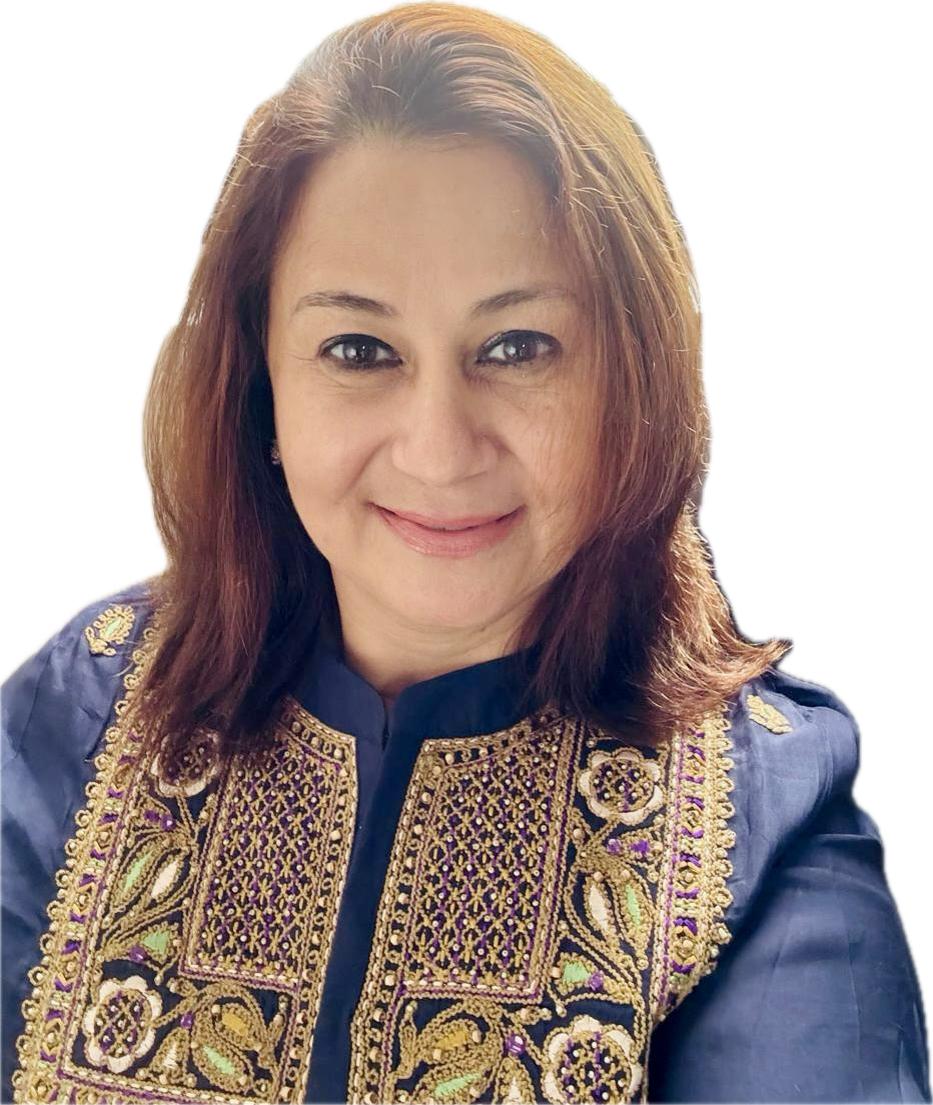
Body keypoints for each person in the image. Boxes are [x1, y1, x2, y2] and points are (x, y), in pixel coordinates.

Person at [2, 3, 929, 1103]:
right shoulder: (90, 711)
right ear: (261, 386)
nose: (439, 449)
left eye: (517, 346)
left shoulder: (762, 816)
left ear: (629, 379)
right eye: (359, 349)